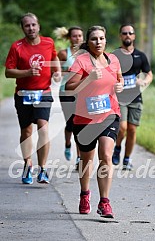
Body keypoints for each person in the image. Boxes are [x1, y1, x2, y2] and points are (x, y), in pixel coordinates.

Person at [65, 26, 124, 217]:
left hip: (110, 114)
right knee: (86, 160)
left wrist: (120, 85)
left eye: (101, 38)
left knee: (106, 156)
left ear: (106, 40)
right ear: (88, 42)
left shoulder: (113, 60)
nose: (98, 42)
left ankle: (104, 202)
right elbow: (69, 88)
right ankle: (84, 194)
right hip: (85, 118)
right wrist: (88, 79)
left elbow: (119, 78)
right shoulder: (81, 61)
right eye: (94, 39)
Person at [5, 12, 61, 184]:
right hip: (23, 94)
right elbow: (8, 71)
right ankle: (28, 163)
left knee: (43, 129)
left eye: (33, 25)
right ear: (23, 28)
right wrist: (27, 72)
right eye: (27, 25)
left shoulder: (48, 42)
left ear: (38, 26)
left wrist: (57, 71)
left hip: (43, 92)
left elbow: (54, 57)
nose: (31, 28)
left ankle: (42, 169)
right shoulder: (17, 47)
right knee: (27, 131)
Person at [112, 24, 153, 170]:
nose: (127, 35)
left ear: (134, 36)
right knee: (122, 128)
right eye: (124, 33)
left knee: (132, 130)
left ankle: (127, 159)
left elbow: (149, 73)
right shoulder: (114, 55)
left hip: (136, 97)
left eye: (130, 33)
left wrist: (144, 81)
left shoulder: (140, 55)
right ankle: (117, 148)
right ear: (120, 36)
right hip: (120, 98)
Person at [56, 26, 84, 168]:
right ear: (69, 38)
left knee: (79, 124)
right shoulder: (63, 54)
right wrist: (60, 73)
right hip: (66, 92)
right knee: (71, 123)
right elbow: (55, 72)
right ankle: (68, 144)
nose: (77, 38)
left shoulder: (87, 54)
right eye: (74, 36)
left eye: (80, 35)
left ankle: (79, 158)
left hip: (83, 93)